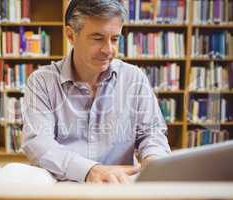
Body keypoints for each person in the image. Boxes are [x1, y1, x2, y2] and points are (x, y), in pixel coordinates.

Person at [22, 0, 171, 184]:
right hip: (67, 188)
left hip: (121, 187)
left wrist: (153, 159)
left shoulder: (134, 78)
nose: (109, 50)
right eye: (97, 38)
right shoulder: (42, 82)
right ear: (71, 35)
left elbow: (152, 132)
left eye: (115, 39)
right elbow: (39, 143)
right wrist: (89, 170)